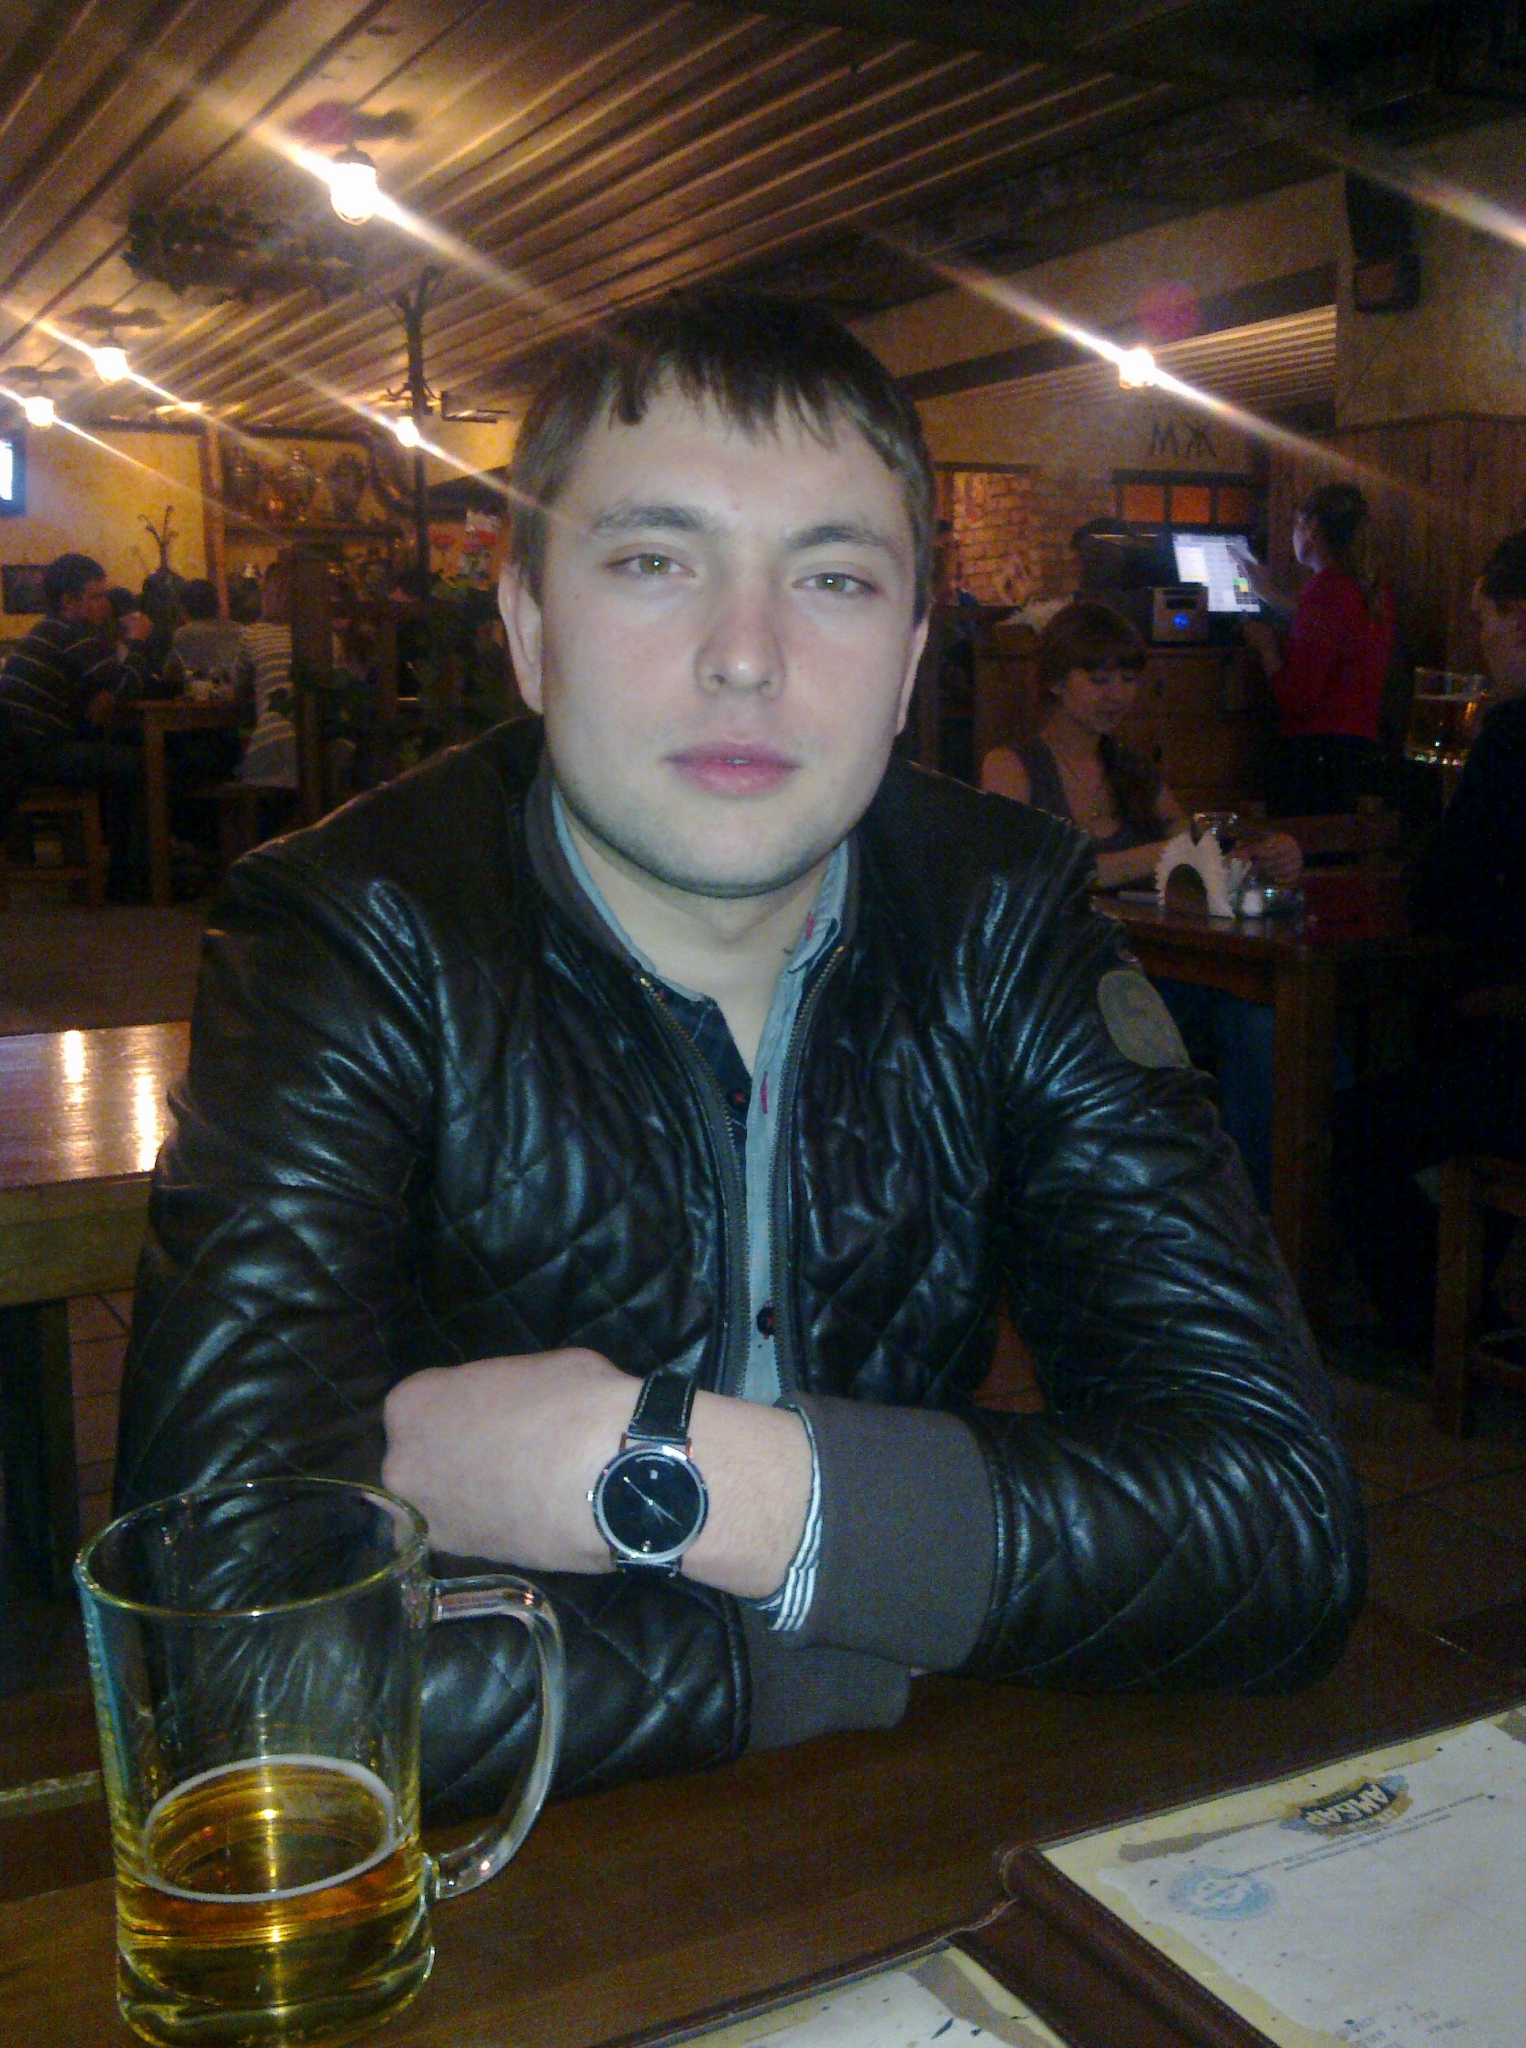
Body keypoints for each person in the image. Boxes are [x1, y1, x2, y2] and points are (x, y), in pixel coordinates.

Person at [114, 290, 1363, 1819]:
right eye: (655, 562)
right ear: (529, 630)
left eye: (832, 579)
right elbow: (230, 1672)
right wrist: (854, 1623)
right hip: (499, 1888)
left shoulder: (1005, 917)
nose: (747, 656)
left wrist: (656, 1471)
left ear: (910, 659)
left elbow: (1281, 1523)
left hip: (901, 1837)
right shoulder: (345, 932)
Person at [980, 601, 1302, 1206]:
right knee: (1252, 1021)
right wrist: (1157, 854)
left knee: (1268, 1018)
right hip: (1061, 985)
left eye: (1128, 678)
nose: (1117, 695)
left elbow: (1195, 856)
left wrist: (1267, 857)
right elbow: (1022, 880)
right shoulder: (1011, 766)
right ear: (1056, 681)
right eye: (1099, 678)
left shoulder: (1131, 768)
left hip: (1158, 969)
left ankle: (1255, 1212)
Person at [1337, 530, 1526, 1339]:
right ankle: (1473, 1307)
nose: (1479, 641)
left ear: (1520, 619)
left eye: (1484, 620)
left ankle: (1435, 1327)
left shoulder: (1513, 735)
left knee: (1350, 1128)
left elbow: (1443, 896)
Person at [0, 552, 153, 897]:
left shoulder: (50, 630)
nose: (106, 605)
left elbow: (111, 689)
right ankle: (133, 881)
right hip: (34, 756)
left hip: (11, 757)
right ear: (68, 601)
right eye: (97, 596)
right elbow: (127, 687)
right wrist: (139, 640)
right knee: (142, 764)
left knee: (118, 758)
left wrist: (110, 693)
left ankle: (121, 873)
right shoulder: (74, 633)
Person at [1234, 484, 1395, 816]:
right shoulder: (1371, 591)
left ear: (1313, 528)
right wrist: (1268, 595)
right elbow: (1335, 628)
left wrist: (1266, 647)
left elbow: (1297, 699)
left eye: (1297, 524)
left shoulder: (1326, 592)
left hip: (1317, 759)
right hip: (1359, 753)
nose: (1293, 535)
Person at [232, 558, 297, 790]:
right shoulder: (325, 635)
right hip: (326, 745)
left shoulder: (253, 634)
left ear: (266, 595)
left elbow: (238, 688)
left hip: (273, 744)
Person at [170, 577, 245, 681]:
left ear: (185, 607)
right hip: (236, 689)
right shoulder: (241, 631)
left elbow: (174, 674)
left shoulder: (182, 635)